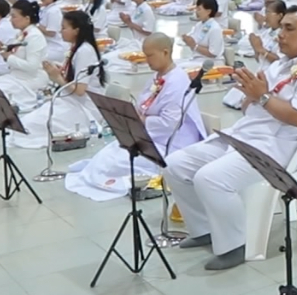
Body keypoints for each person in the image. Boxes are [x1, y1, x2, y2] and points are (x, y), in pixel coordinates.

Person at [164, 5, 297, 270]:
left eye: (290, 29)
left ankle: (236, 243)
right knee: (174, 165)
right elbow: (250, 108)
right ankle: (204, 228)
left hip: (276, 147)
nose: (280, 34)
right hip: (245, 134)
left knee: (209, 178)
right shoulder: (279, 65)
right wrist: (251, 94)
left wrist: (262, 96)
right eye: (281, 27)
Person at [64, 33, 205, 201]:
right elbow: (143, 104)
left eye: (150, 55)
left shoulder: (178, 81)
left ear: (166, 53)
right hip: (149, 135)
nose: (147, 60)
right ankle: (93, 176)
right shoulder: (158, 76)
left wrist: (141, 119)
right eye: (145, 55)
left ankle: (107, 181)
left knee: (117, 160)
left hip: (170, 143)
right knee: (111, 151)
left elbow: (169, 124)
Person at [12, 10, 108, 150]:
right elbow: (73, 77)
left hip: (84, 107)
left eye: (64, 28)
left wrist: (56, 77)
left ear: (76, 30)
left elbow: (80, 90)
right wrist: (58, 71)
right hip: (70, 100)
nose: (60, 31)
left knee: (32, 126)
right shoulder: (76, 48)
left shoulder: (84, 51)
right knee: (28, 121)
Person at [181, 0, 225, 65]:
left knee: (179, 68)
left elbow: (213, 53)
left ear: (208, 11)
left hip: (211, 63)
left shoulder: (215, 29)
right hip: (198, 59)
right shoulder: (199, 25)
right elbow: (191, 38)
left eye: (199, 9)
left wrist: (194, 46)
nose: (196, 12)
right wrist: (186, 39)